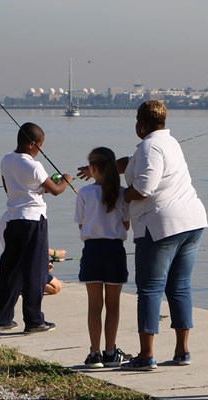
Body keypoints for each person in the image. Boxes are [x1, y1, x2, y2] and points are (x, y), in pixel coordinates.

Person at [120, 100, 208, 370]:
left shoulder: (149, 146)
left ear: (143, 124)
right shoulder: (170, 143)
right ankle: (182, 352)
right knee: (179, 286)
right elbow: (136, 163)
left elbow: (145, 186)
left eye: (137, 120)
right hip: (192, 221)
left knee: (149, 288)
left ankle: (146, 356)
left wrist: (120, 196)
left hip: (160, 226)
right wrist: (109, 167)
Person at [0, 122, 71, 334]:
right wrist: (66, 179)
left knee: (10, 270)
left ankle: (2, 319)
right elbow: (56, 190)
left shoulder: (6, 160)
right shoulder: (34, 166)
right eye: (40, 146)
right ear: (31, 144)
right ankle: (34, 320)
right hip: (34, 221)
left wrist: (35, 190)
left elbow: (10, 188)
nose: (40, 151)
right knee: (36, 270)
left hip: (13, 219)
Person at [75, 147, 131, 369]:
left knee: (94, 306)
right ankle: (110, 352)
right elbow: (126, 224)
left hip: (92, 251)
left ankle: (94, 353)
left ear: (93, 168)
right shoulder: (122, 193)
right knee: (113, 305)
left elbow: (81, 224)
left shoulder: (84, 193)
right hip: (115, 251)